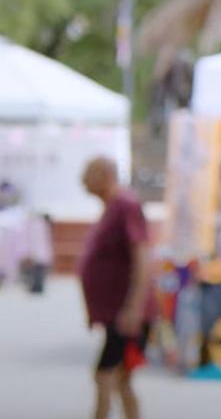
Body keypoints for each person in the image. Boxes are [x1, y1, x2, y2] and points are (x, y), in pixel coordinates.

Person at [77, 157, 153, 419]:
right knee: (120, 379)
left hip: (127, 312)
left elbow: (142, 256)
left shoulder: (125, 205)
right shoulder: (112, 207)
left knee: (106, 375)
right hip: (115, 310)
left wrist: (134, 307)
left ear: (104, 175)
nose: (83, 181)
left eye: (88, 174)